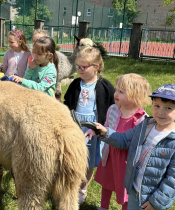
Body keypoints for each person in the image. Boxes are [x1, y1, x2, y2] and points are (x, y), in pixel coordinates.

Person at [86, 84, 175, 210]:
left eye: (168, 108)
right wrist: (105, 132)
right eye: (157, 106)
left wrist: (156, 202)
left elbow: (174, 179)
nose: (160, 112)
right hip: (134, 189)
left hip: (151, 199)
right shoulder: (145, 126)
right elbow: (124, 139)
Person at [92, 73, 151, 210]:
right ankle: (103, 207)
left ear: (134, 95)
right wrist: (95, 131)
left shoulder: (142, 119)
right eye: (117, 90)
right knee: (106, 183)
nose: (115, 94)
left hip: (125, 161)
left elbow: (139, 143)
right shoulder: (112, 109)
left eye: (121, 91)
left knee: (124, 188)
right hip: (109, 154)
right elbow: (107, 126)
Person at [63, 47, 115, 204]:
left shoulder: (104, 86)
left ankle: (82, 188)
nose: (79, 70)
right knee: (71, 155)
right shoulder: (76, 84)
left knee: (89, 161)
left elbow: (111, 109)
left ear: (96, 67)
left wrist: (98, 127)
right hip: (75, 126)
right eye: (78, 66)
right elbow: (68, 103)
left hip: (92, 129)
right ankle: (70, 184)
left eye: (83, 67)